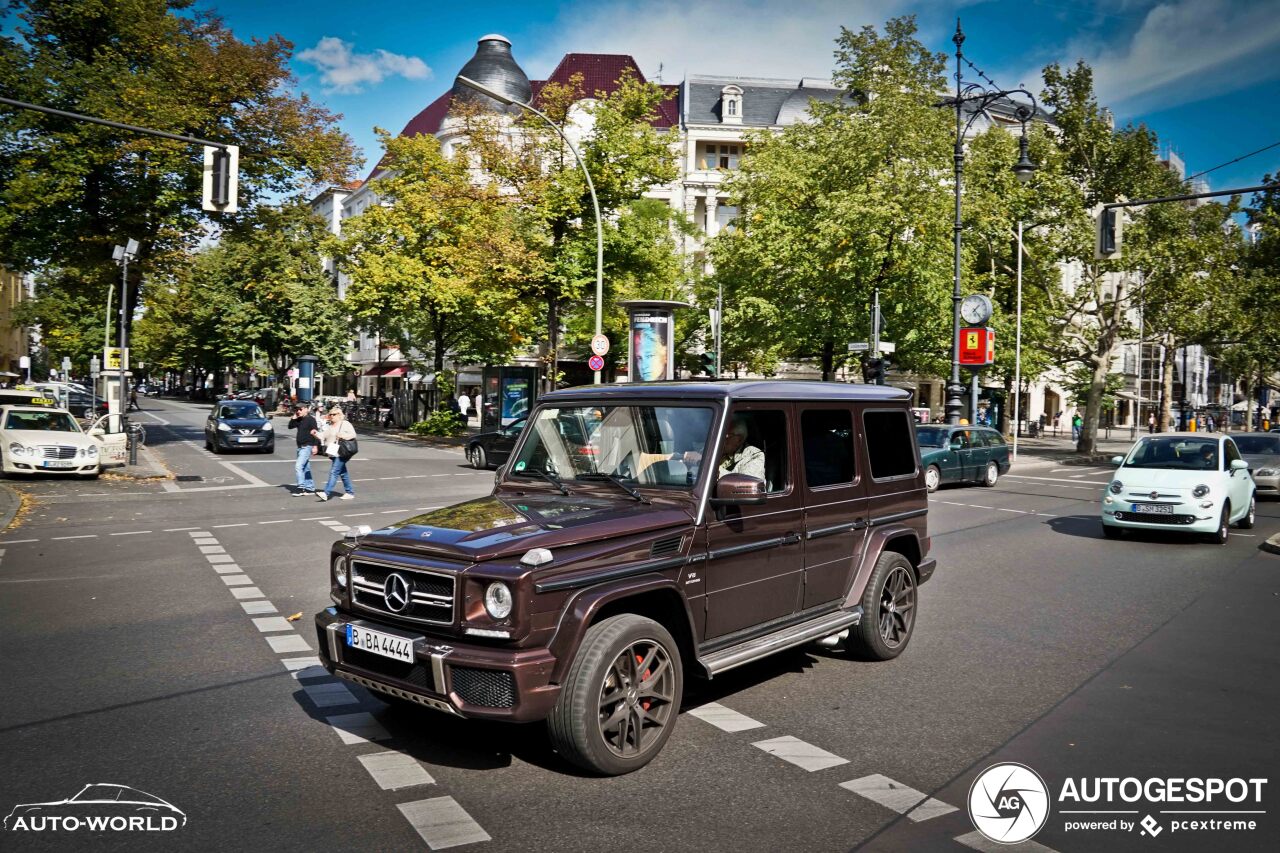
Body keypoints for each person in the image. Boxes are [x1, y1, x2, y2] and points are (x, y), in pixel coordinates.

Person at [317, 407, 357, 501]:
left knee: (334, 471)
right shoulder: (331, 426)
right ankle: (350, 492)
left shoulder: (345, 424)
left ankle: (326, 493)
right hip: (333, 451)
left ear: (339, 415)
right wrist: (316, 433)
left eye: (333, 414)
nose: (331, 416)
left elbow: (353, 435)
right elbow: (323, 435)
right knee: (343, 473)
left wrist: (343, 436)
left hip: (342, 451)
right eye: (330, 414)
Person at [288, 403, 321, 495]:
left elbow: (315, 433)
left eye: (300, 409)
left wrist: (315, 446)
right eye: (297, 410)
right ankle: (310, 487)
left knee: (298, 466)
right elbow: (290, 426)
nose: (298, 411)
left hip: (307, 446)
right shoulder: (299, 419)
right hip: (300, 447)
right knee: (306, 468)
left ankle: (301, 487)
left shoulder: (311, 420)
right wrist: (294, 417)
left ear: (306, 409)